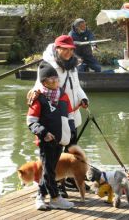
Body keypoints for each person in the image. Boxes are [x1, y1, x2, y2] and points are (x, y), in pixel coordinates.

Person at [28, 35, 89, 196]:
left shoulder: (73, 66)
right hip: (56, 117)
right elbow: (39, 86)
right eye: (65, 49)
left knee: (71, 151)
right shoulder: (49, 66)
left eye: (71, 49)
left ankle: (69, 179)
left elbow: (76, 86)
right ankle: (54, 188)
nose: (68, 52)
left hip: (72, 115)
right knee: (56, 155)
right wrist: (34, 92)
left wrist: (83, 98)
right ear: (57, 49)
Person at [27, 62, 75, 210]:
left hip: (60, 140)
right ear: (43, 82)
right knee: (48, 170)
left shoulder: (63, 95)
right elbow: (31, 121)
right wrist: (44, 133)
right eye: (50, 80)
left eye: (56, 79)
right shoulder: (38, 98)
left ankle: (40, 196)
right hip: (46, 141)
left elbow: (70, 114)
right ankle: (55, 198)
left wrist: (71, 133)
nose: (54, 82)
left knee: (50, 170)